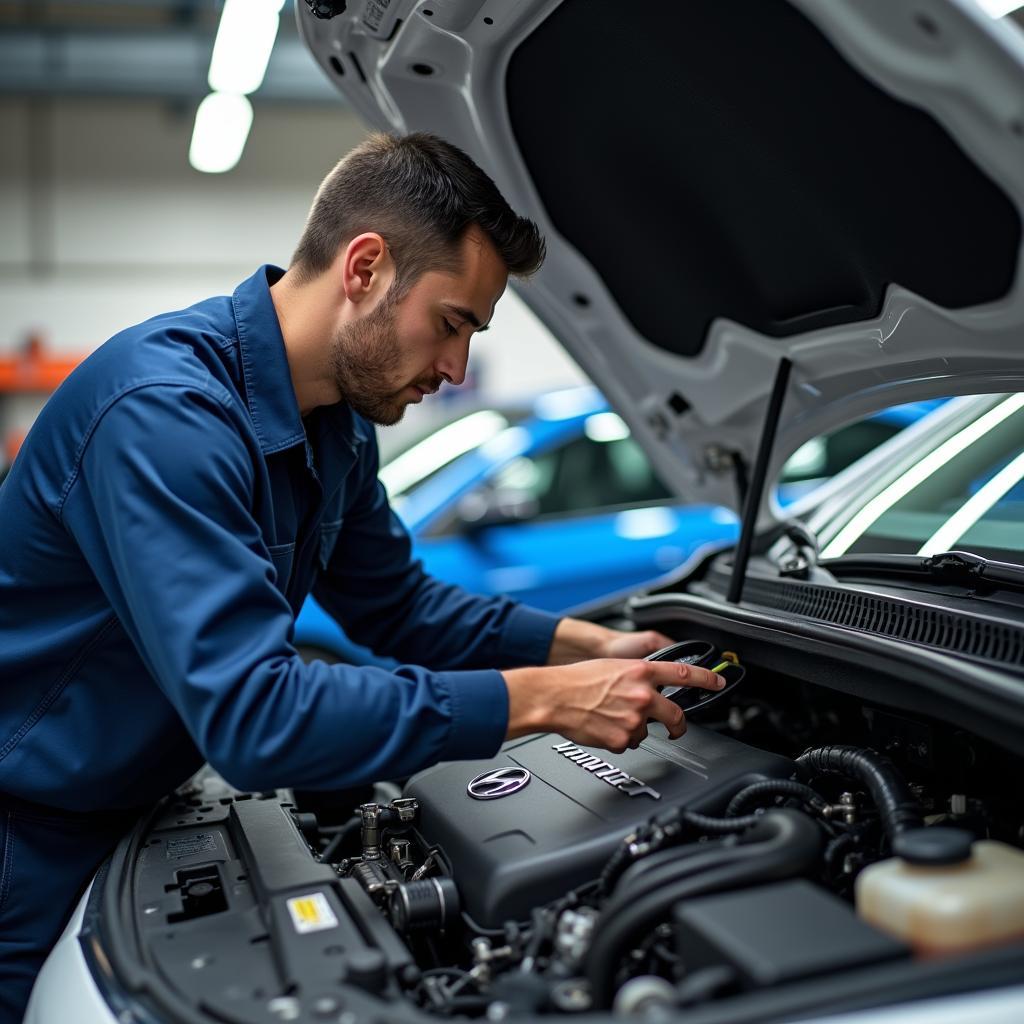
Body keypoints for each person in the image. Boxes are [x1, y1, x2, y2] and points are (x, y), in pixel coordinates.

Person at [0, 132, 722, 1019]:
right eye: (452, 323)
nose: (457, 369)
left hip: (133, 804)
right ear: (366, 268)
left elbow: (399, 605)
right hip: (24, 842)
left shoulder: (336, 423)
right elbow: (256, 719)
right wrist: (544, 700)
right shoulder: (164, 417)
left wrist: (592, 644)